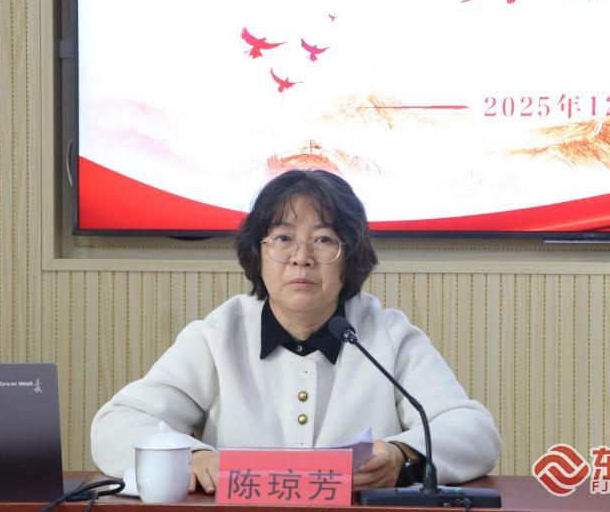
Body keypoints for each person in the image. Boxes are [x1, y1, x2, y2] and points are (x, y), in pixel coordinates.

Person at [91, 169, 500, 493]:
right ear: (258, 253)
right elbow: (115, 424)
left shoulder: (387, 334)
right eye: (283, 238)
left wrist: (401, 455)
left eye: (323, 240)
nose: (302, 258)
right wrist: (191, 456)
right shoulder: (218, 335)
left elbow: (475, 432)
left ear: (349, 258)